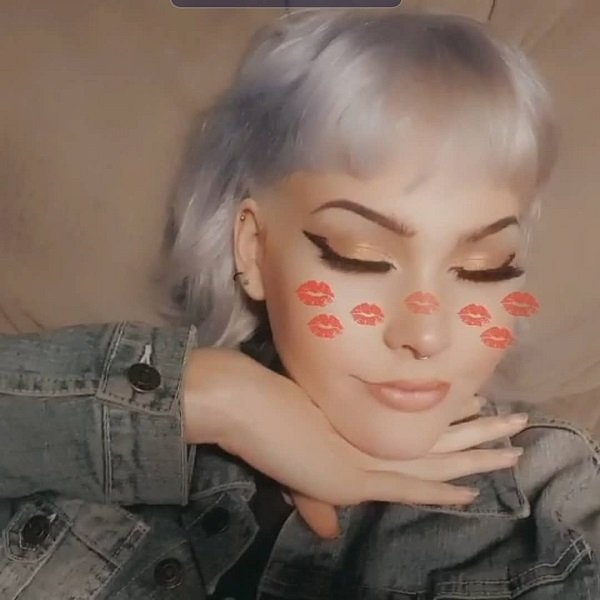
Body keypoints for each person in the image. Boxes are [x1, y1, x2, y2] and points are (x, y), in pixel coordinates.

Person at [0, 8, 581, 600]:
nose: (426, 334)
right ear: (253, 250)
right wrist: (213, 397)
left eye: (485, 267)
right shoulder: (97, 460)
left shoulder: (557, 505)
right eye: (359, 256)